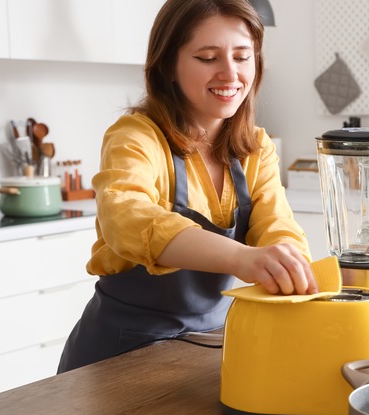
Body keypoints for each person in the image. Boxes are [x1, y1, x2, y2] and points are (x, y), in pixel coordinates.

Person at [58, 0, 317, 373]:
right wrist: (242, 258)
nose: (230, 74)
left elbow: (277, 224)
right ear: (168, 66)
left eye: (243, 57)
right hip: (120, 355)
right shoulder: (135, 136)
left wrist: (288, 261)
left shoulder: (257, 147)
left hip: (210, 349)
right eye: (208, 57)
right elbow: (127, 219)